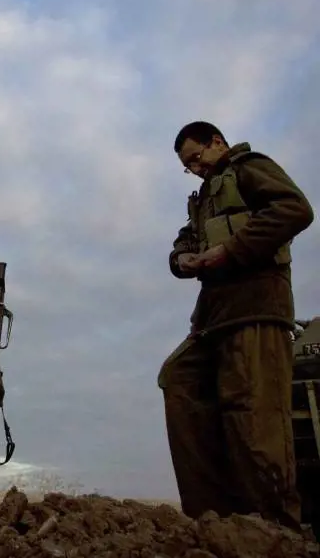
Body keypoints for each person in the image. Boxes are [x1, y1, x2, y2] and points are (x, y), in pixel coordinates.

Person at [157, 121, 314, 531]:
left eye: (197, 157)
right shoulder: (203, 199)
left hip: (256, 308)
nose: (195, 169)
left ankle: (277, 531)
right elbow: (184, 241)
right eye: (188, 166)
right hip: (214, 317)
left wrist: (231, 249)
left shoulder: (248, 167)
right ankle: (216, 523)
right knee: (180, 379)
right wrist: (181, 259)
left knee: (254, 416)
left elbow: (294, 208)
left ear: (217, 142)